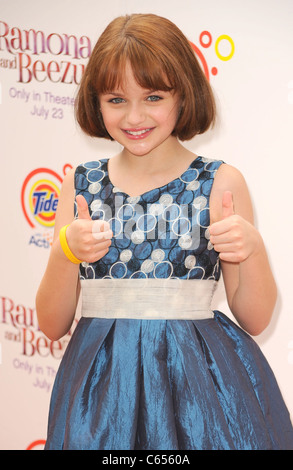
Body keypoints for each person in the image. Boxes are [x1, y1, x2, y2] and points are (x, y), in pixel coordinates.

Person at [36, 13, 293, 450]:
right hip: (101, 396)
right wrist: (65, 251)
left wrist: (251, 250)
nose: (135, 116)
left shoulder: (220, 182)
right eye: (116, 99)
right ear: (95, 102)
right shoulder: (81, 183)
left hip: (200, 395)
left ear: (184, 95)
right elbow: (50, 323)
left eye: (153, 96)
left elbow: (255, 317)